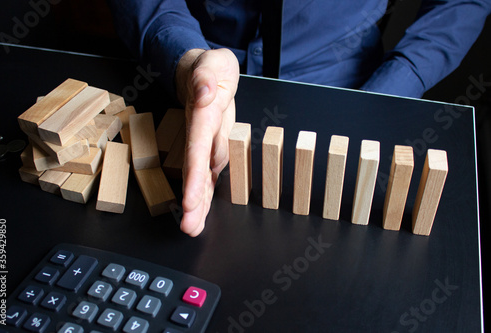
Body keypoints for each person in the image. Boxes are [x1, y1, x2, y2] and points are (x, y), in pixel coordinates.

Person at [107, 0, 491, 236]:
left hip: (346, 84)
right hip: (206, 65)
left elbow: (461, 2)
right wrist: (186, 59)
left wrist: (392, 89)